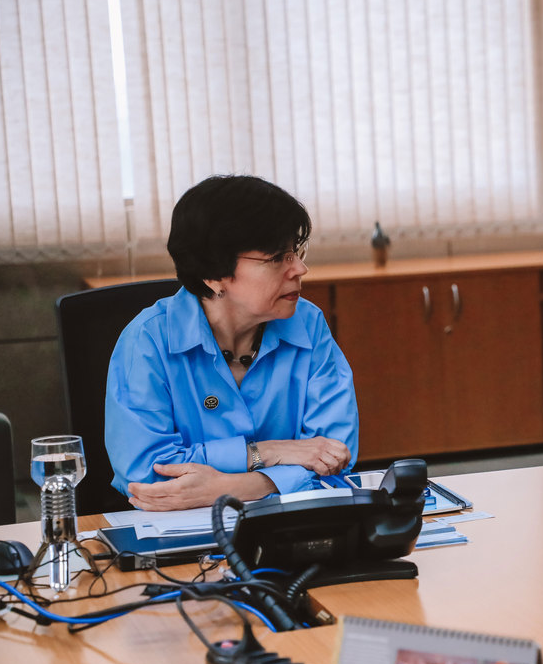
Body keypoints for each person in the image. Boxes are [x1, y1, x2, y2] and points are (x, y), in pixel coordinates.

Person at [105, 175, 359, 511]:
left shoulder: (307, 324)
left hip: (291, 525)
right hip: (179, 533)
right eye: (277, 257)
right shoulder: (147, 340)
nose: (300, 268)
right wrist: (268, 452)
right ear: (213, 274)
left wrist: (228, 488)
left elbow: (335, 459)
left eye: (296, 252)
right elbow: (147, 476)